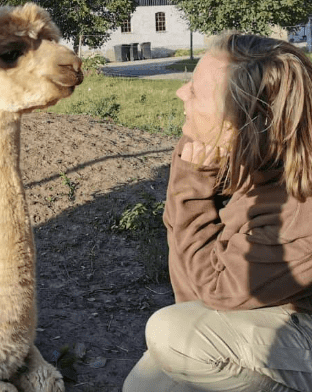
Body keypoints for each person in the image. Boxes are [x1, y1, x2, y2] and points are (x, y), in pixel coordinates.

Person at [123, 33, 312, 392]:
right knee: (145, 384)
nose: (181, 93)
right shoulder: (259, 156)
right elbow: (192, 290)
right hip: (275, 309)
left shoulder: (300, 207)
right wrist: (193, 171)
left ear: (236, 125)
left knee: (173, 336)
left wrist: (191, 186)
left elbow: (214, 291)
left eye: (194, 91)